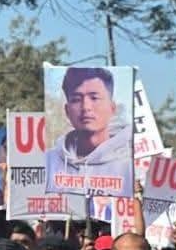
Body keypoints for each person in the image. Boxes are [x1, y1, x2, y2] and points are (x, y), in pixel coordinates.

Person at [44, 67, 134, 195]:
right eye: (76, 99)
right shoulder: (47, 162)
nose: (86, 107)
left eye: (94, 98)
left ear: (112, 108)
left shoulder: (130, 166)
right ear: (67, 111)